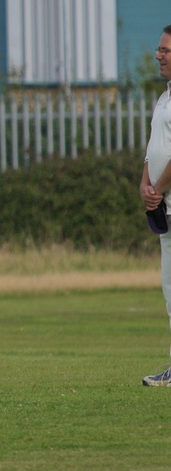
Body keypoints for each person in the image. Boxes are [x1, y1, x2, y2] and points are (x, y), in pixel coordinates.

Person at [141, 25, 171, 386]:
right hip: (165, 208)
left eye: (165, 50)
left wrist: (159, 187)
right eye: (159, 49)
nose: (159, 55)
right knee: (169, 290)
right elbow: (154, 150)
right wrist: (144, 185)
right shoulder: (164, 97)